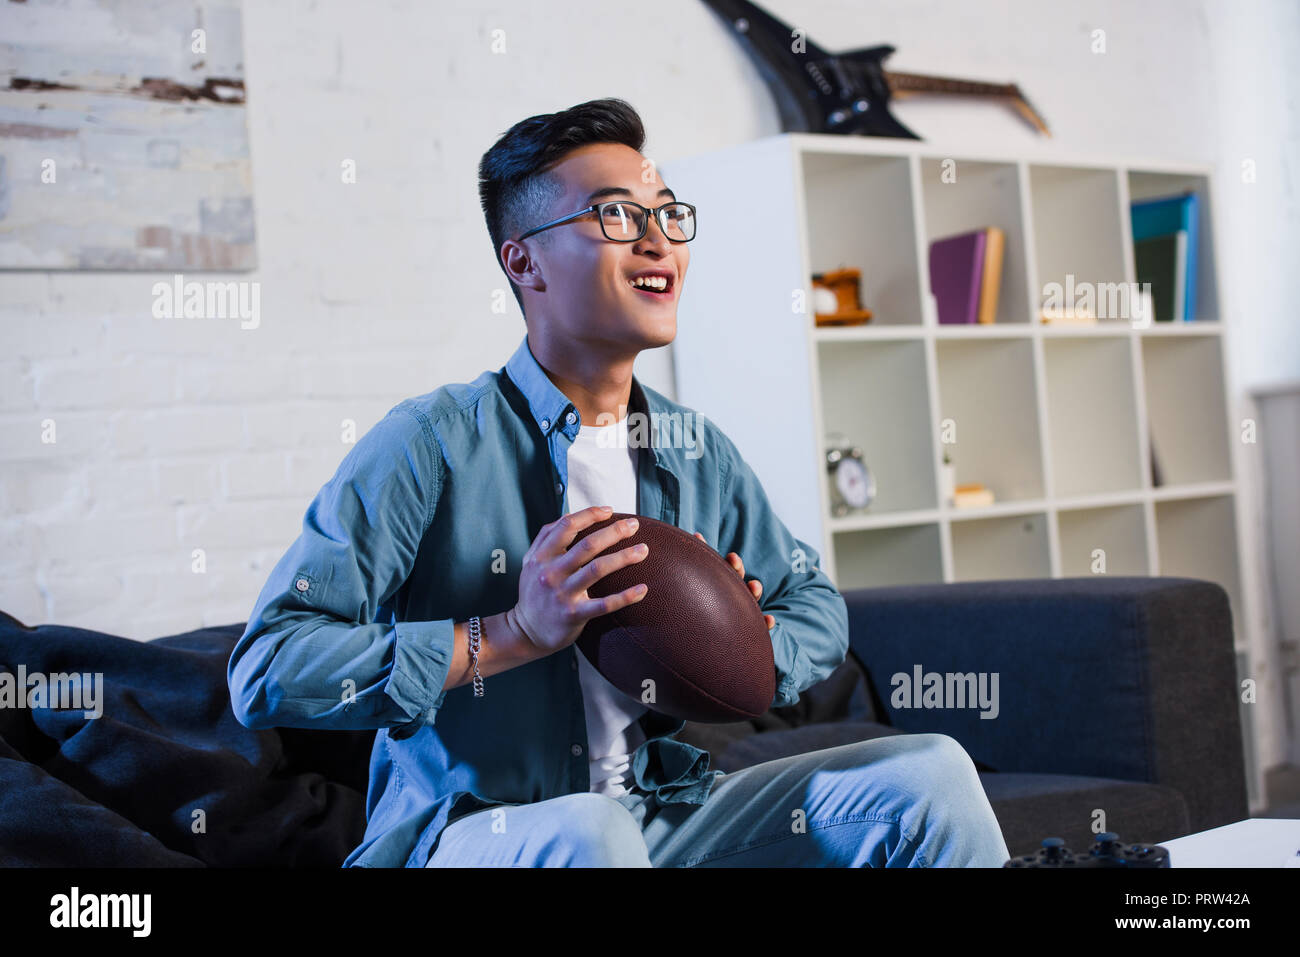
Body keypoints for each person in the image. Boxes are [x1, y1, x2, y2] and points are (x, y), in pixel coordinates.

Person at [228, 97, 1010, 868]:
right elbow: (266, 669)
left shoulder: (695, 448)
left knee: (927, 773)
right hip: (471, 836)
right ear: (523, 260)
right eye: (615, 218)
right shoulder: (429, 444)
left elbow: (816, 606)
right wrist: (509, 633)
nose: (656, 242)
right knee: (591, 836)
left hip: (656, 818)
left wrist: (749, 637)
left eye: (667, 215)